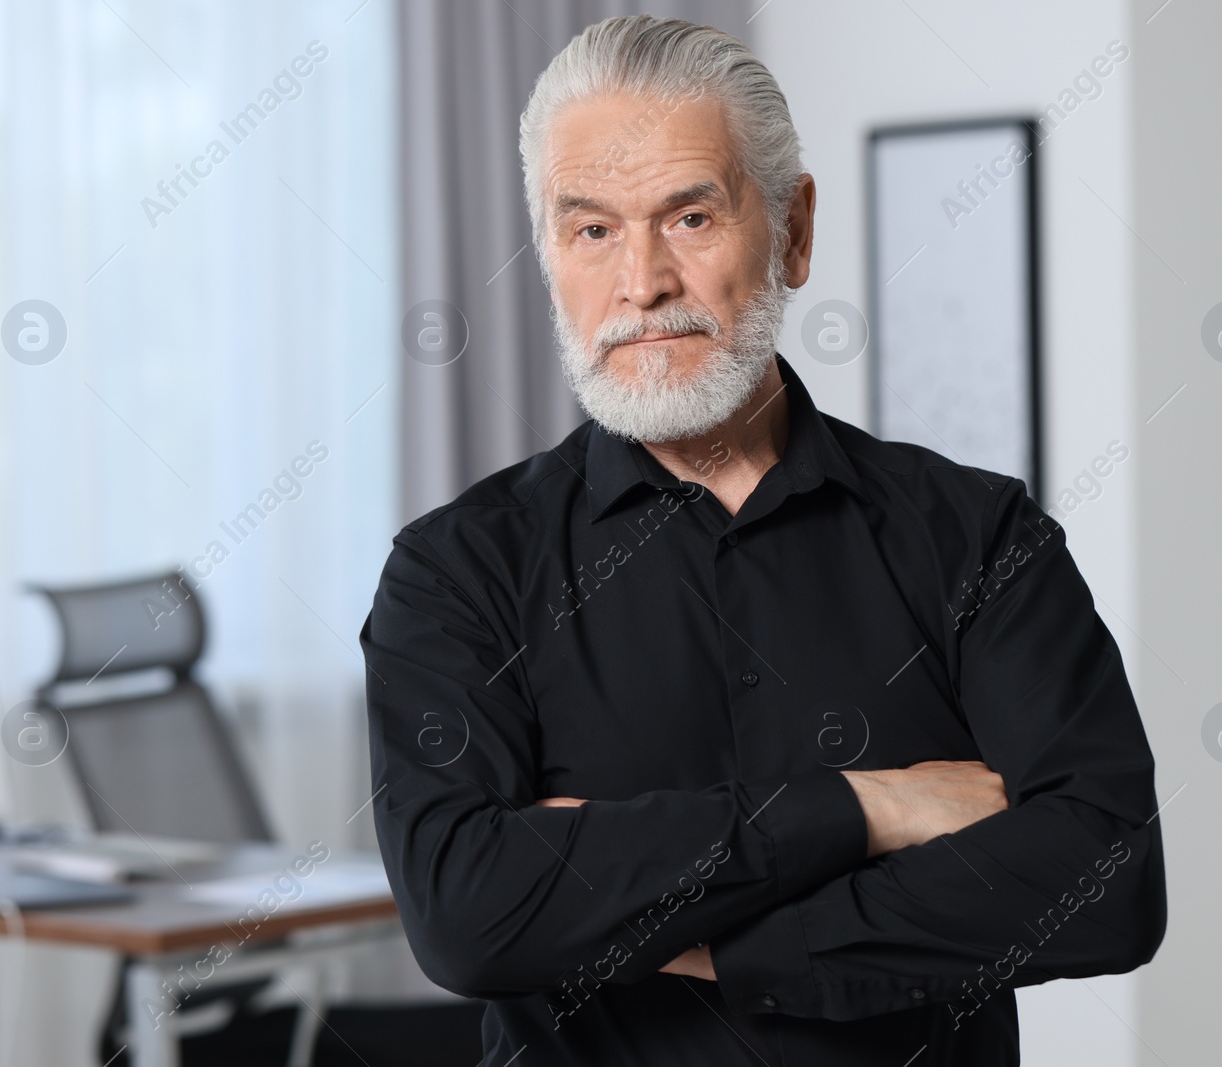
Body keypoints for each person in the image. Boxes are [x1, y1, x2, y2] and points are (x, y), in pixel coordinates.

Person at [362, 15, 1165, 1065]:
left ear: (791, 230)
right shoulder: (457, 572)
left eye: (689, 217)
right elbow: (469, 913)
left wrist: (697, 932)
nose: (641, 282)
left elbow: (1104, 881)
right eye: (591, 229)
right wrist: (867, 806)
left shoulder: (977, 537)